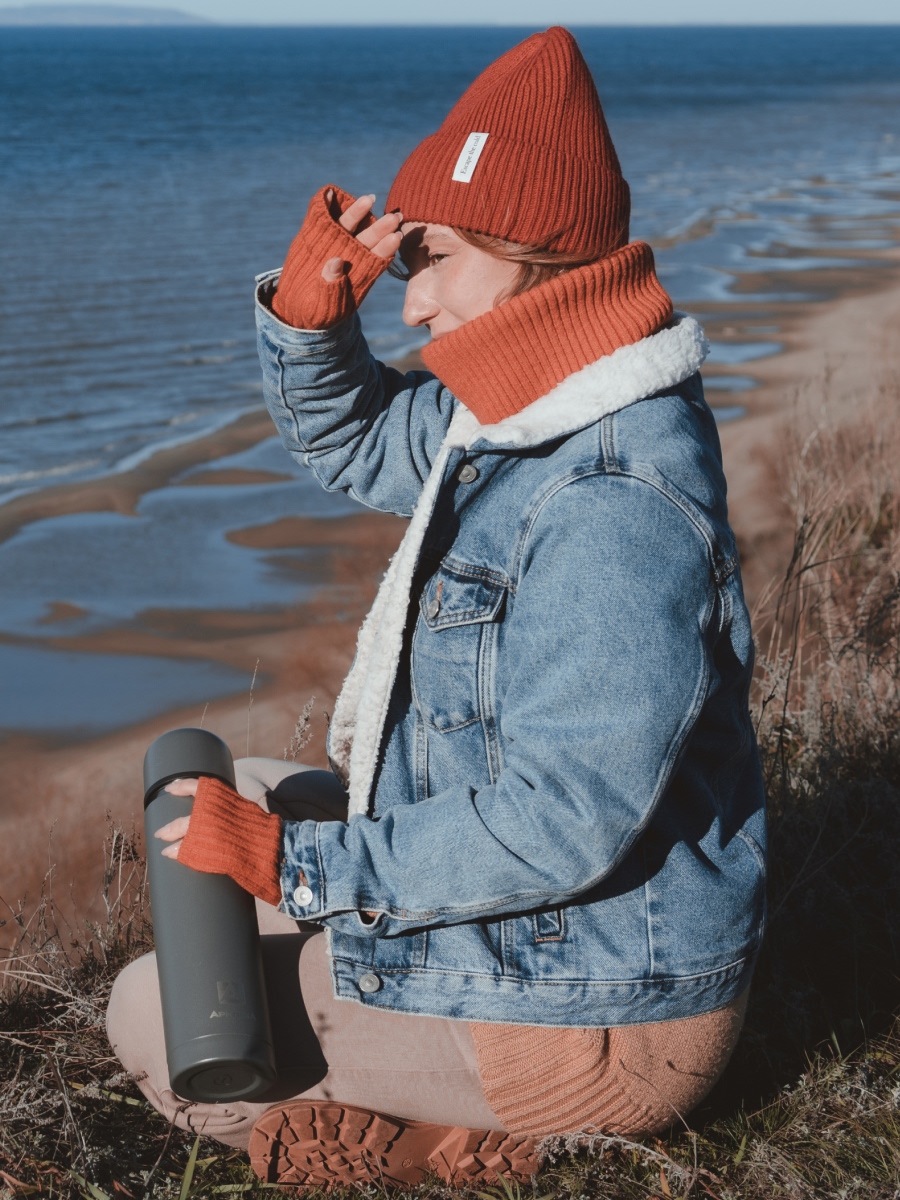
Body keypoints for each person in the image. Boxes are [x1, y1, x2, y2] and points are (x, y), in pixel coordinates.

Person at [107, 26, 766, 1189]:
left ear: (532, 251)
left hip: (597, 1015)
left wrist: (301, 869)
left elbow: (566, 819)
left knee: (147, 1012)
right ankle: (402, 1082)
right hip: (564, 939)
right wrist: (312, 324)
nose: (413, 306)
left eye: (437, 260)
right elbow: (362, 444)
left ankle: (454, 1140)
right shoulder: (529, 405)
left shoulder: (615, 499)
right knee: (239, 785)